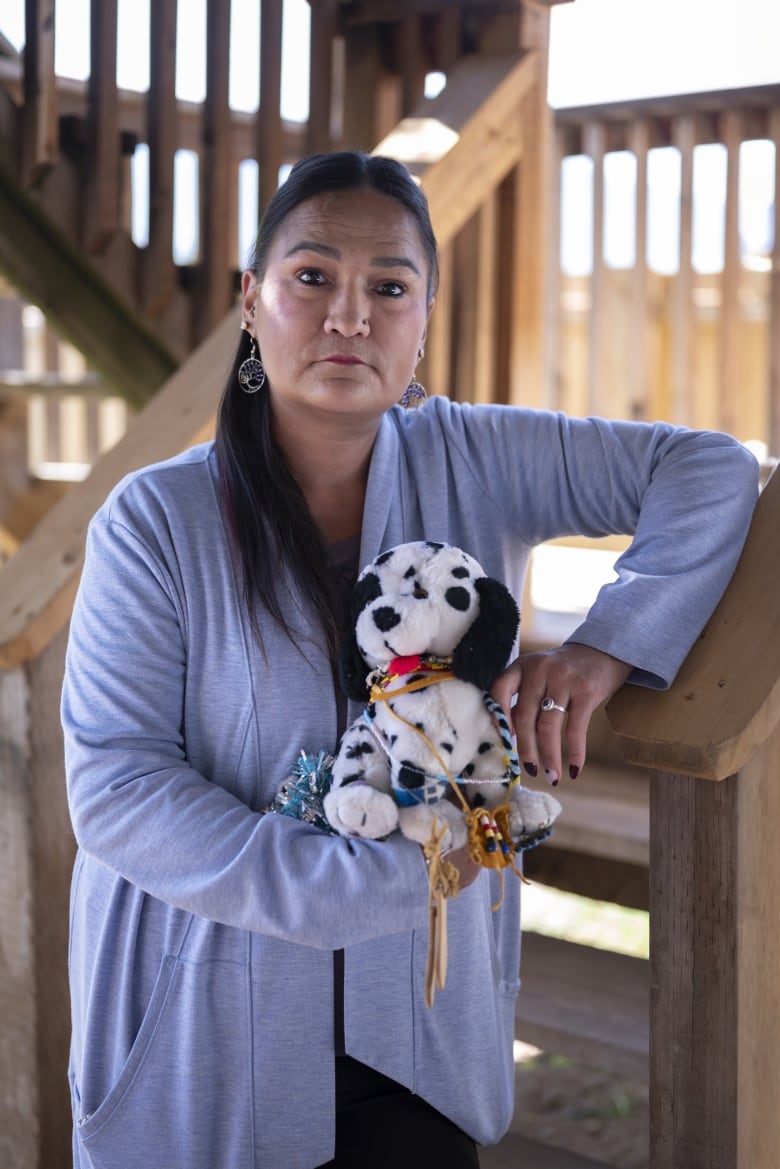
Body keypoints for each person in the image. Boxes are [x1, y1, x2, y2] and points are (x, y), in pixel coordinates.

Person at [61, 150, 757, 1169]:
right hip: (204, 1018)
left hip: (419, 1025)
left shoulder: (479, 453)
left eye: (389, 285)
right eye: (312, 277)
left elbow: (709, 466)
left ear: (424, 312)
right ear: (251, 302)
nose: (350, 315)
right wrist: (357, 883)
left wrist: (609, 644)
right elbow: (117, 785)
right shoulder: (156, 519)